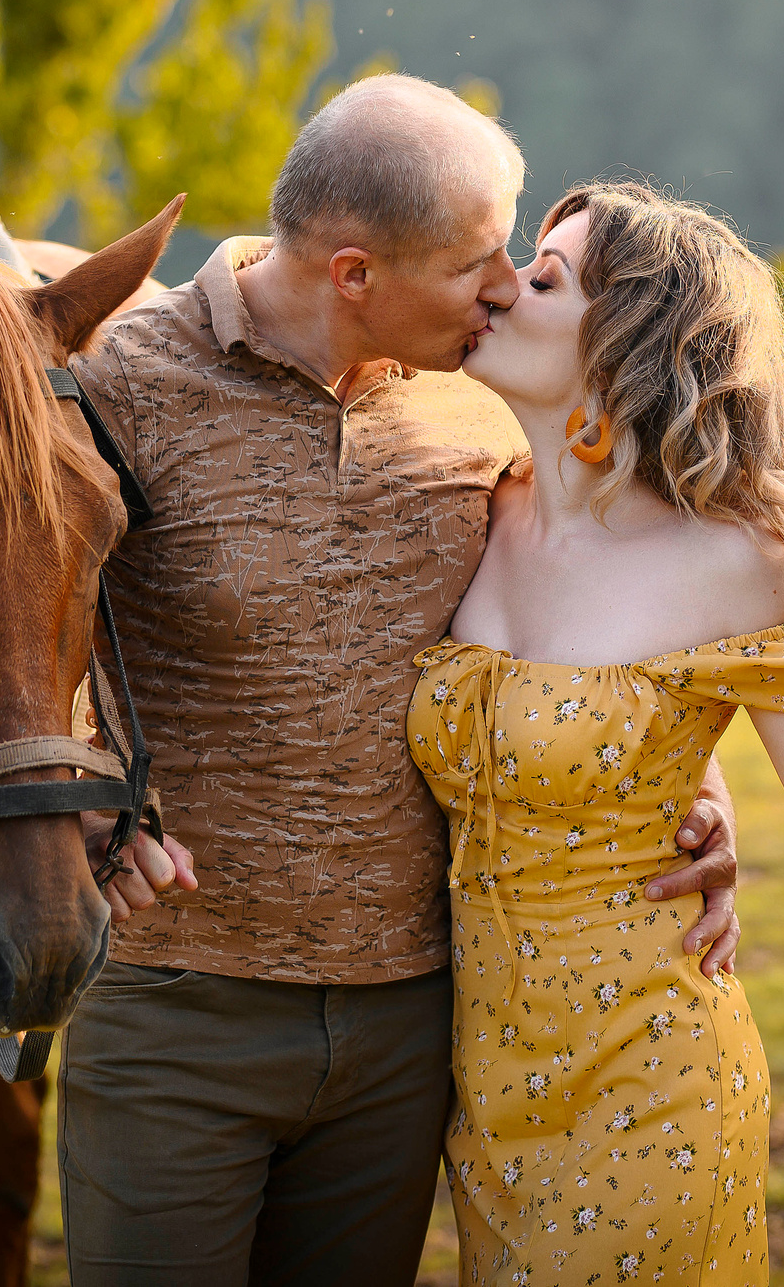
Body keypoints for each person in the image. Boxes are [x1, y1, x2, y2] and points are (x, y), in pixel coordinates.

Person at [58, 78, 746, 1285]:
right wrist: (71, 787)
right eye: (475, 263)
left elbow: (594, 581)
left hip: (417, 1021)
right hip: (180, 1010)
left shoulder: (489, 392)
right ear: (354, 273)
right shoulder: (119, 379)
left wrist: (695, 771)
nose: (503, 287)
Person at [410, 182, 784, 1286]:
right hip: (485, 1082)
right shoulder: (466, 506)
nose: (501, 288)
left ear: (627, 342)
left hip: (651, 1081)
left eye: (544, 278)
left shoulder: (732, 561)